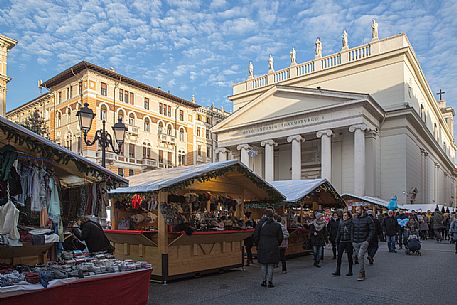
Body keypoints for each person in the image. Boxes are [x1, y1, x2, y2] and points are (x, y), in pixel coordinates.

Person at [254, 208, 283, 288]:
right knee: (270, 264)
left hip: (262, 244)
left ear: (265, 215)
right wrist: (277, 243)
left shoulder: (260, 224)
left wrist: (257, 244)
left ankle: (263, 281)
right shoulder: (277, 225)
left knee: (263, 264)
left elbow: (256, 235)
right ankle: (270, 281)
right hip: (273, 245)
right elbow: (281, 237)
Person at [352, 206, 373, 281]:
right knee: (359, 257)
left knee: (360, 256)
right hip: (355, 241)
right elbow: (352, 229)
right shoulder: (354, 219)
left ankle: (361, 273)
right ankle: (362, 271)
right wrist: (352, 240)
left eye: (358, 210)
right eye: (356, 210)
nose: (356, 211)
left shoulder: (368, 219)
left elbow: (372, 230)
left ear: (362, 210)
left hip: (364, 241)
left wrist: (367, 240)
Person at [332, 211, 353, 276]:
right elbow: (339, 232)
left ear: (349, 216)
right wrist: (337, 240)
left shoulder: (351, 223)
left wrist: (352, 241)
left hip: (349, 241)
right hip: (342, 241)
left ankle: (350, 271)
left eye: (346, 215)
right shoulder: (341, 223)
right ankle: (338, 271)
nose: (344, 217)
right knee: (339, 256)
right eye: (343, 215)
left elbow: (352, 232)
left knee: (349, 257)